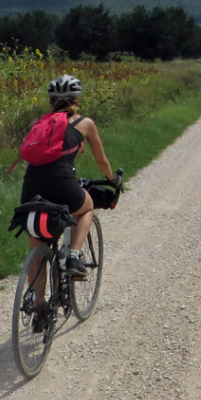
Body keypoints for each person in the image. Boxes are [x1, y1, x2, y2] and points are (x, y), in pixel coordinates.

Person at [20, 74, 118, 279]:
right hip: (63, 183)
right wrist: (112, 179)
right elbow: (102, 161)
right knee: (86, 207)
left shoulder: (37, 122)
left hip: (31, 186)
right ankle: (73, 256)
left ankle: (38, 306)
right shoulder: (85, 123)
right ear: (76, 99)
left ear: (51, 100)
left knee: (36, 251)